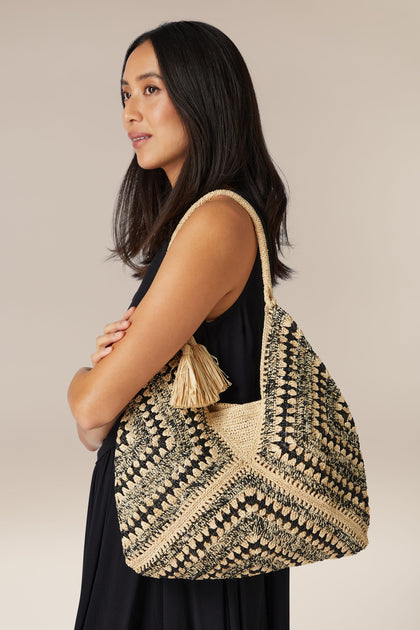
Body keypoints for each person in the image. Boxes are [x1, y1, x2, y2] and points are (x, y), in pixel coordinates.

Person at [68, 20, 294, 630]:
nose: (130, 113)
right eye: (123, 94)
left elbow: (91, 414)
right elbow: (103, 424)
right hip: (179, 525)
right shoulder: (198, 222)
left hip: (182, 539)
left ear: (204, 96)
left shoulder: (215, 221)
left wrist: (83, 379)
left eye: (150, 90)